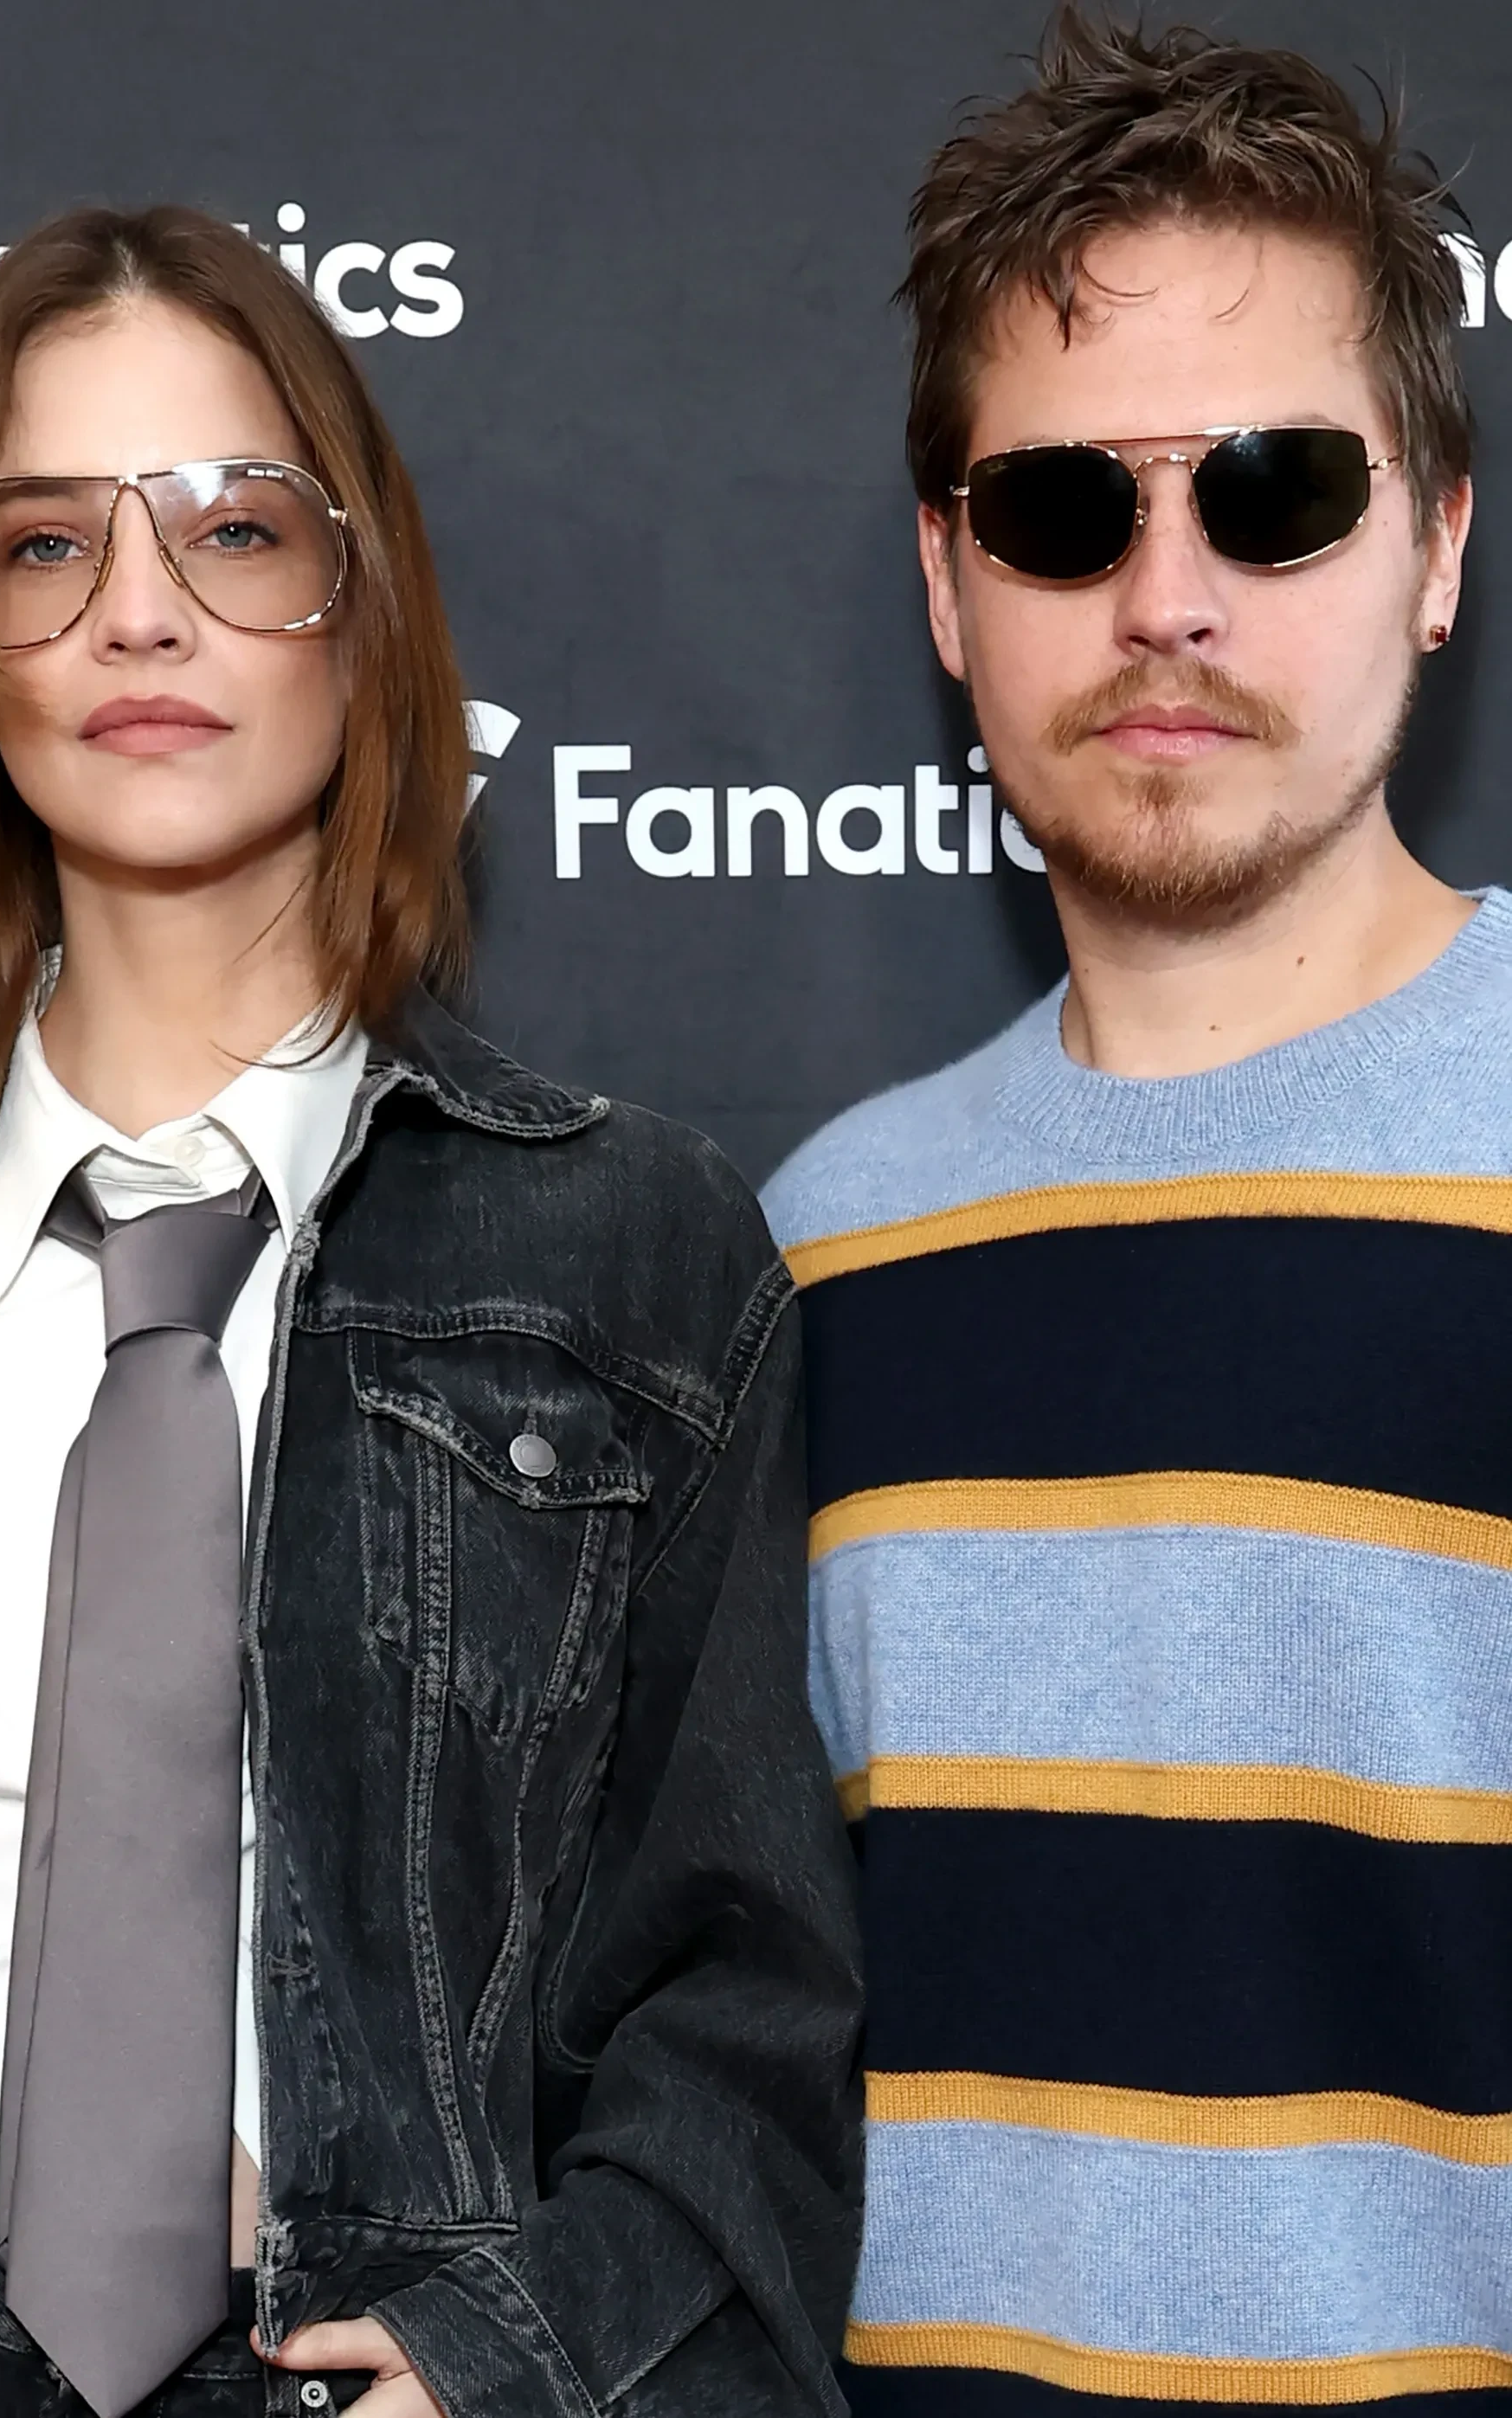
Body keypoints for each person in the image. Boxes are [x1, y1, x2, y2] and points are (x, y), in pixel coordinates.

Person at [0, 203, 861, 2418]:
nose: (141, 609)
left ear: (363, 626)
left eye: (236, 526)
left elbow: (743, 2009)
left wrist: (507, 2362)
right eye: (46, 544)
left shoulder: (628, 1254)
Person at [763, 9, 1512, 2415]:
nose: (1166, 597)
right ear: (945, 583)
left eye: (1276, 491)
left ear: (1436, 545)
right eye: (1064, 511)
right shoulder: (819, 1253)